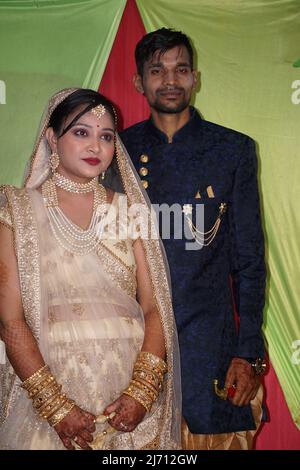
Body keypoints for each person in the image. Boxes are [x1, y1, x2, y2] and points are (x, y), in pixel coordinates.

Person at [0, 88, 181, 450]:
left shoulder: (130, 211)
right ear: (52, 138)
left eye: (106, 136)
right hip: (47, 388)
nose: (95, 146)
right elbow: (10, 320)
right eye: (81, 132)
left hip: (128, 388)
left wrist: (142, 393)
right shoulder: (17, 211)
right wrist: (55, 407)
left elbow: (154, 307)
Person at [120, 28, 266, 450]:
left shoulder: (232, 150)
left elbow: (250, 261)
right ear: (139, 82)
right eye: (157, 71)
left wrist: (248, 352)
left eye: (180, 69)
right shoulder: (119, 152)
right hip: (135, 342)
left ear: (195, 77)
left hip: (211, 344)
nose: (170, 80)